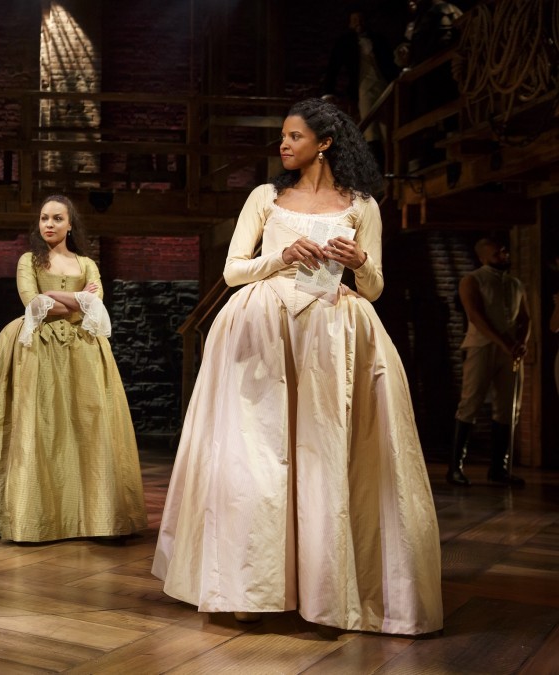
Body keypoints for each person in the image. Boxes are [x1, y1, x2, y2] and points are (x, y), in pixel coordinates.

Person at [152, 98, 443, 635]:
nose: (283, 145)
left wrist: (360, 262)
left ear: (324, 143)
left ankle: (325, 590)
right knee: (255, 462)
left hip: (332, 332)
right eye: (283, 136)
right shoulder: (266, 197)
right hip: (262, 328)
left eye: (294, 136)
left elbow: (375, 289)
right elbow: (233, 271)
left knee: (323, 458)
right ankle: (250, 588)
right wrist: (282, 257)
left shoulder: (362, 205)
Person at [0, 195, 147, 543]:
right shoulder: (29, 260)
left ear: (70, 225)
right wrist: (78, 299)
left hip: (82, 349)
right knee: (42, 425)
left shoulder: (86, 263)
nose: (49, 224)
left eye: (57, 218)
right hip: (38, 348)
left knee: (87, 424)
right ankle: (37, 517)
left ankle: (95, 516)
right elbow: (33, 303)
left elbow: (96, 305)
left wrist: (59, 299)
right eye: (44, 218)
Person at [448, 237, 529, 487]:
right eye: (497, 253)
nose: (503, 256)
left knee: (509, 407)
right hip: (480, 347)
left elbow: (525, 317)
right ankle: (455, 468)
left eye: (504, 252)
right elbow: (475, 316)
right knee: (470, 402)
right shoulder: (472, 280)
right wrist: (504, 343)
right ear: (483, 257)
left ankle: (499, 469)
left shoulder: (516, 284)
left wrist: (521, 342)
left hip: (510, 351)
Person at [322, 9, 398, 162]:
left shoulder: (378, 40)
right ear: (350, 23)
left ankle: (391, 160)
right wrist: (329, 91)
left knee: (387, 123)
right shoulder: (346, 42)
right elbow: (333, 66)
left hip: (383, 84)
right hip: (363, 85)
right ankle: (377, 161)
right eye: (355, 20)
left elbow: (390, 62)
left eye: (361, 19)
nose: (358, 23)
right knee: (369, 123)